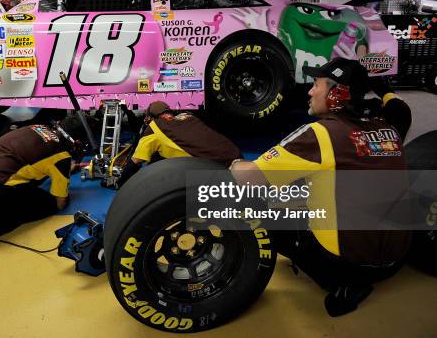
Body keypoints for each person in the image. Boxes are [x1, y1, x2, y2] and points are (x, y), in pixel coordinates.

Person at [230, 57, 412, 317]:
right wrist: (383, 90)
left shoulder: (319, 135)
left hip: (349, 266)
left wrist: (233, 162)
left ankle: (343, 285)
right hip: (397, 260)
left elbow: (248, 178)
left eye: (316, 84)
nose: (310, 91)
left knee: (260, 206)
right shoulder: (391, 126)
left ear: (337, 94)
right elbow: (399, 107)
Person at [0, 115, 97, 251]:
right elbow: (60, 202)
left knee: (23, 179)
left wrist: (63, 167)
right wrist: (64, 176)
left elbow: (33, 158)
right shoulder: (61, 157)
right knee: (46, 203)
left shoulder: (38, 127)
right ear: (76, 140)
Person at [115, 101, 243, 187]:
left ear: (152, 117)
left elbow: (136, 162)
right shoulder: (188, 116)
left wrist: (120, 183)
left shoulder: (154, 128)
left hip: (219, 172)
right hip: (235, 154)